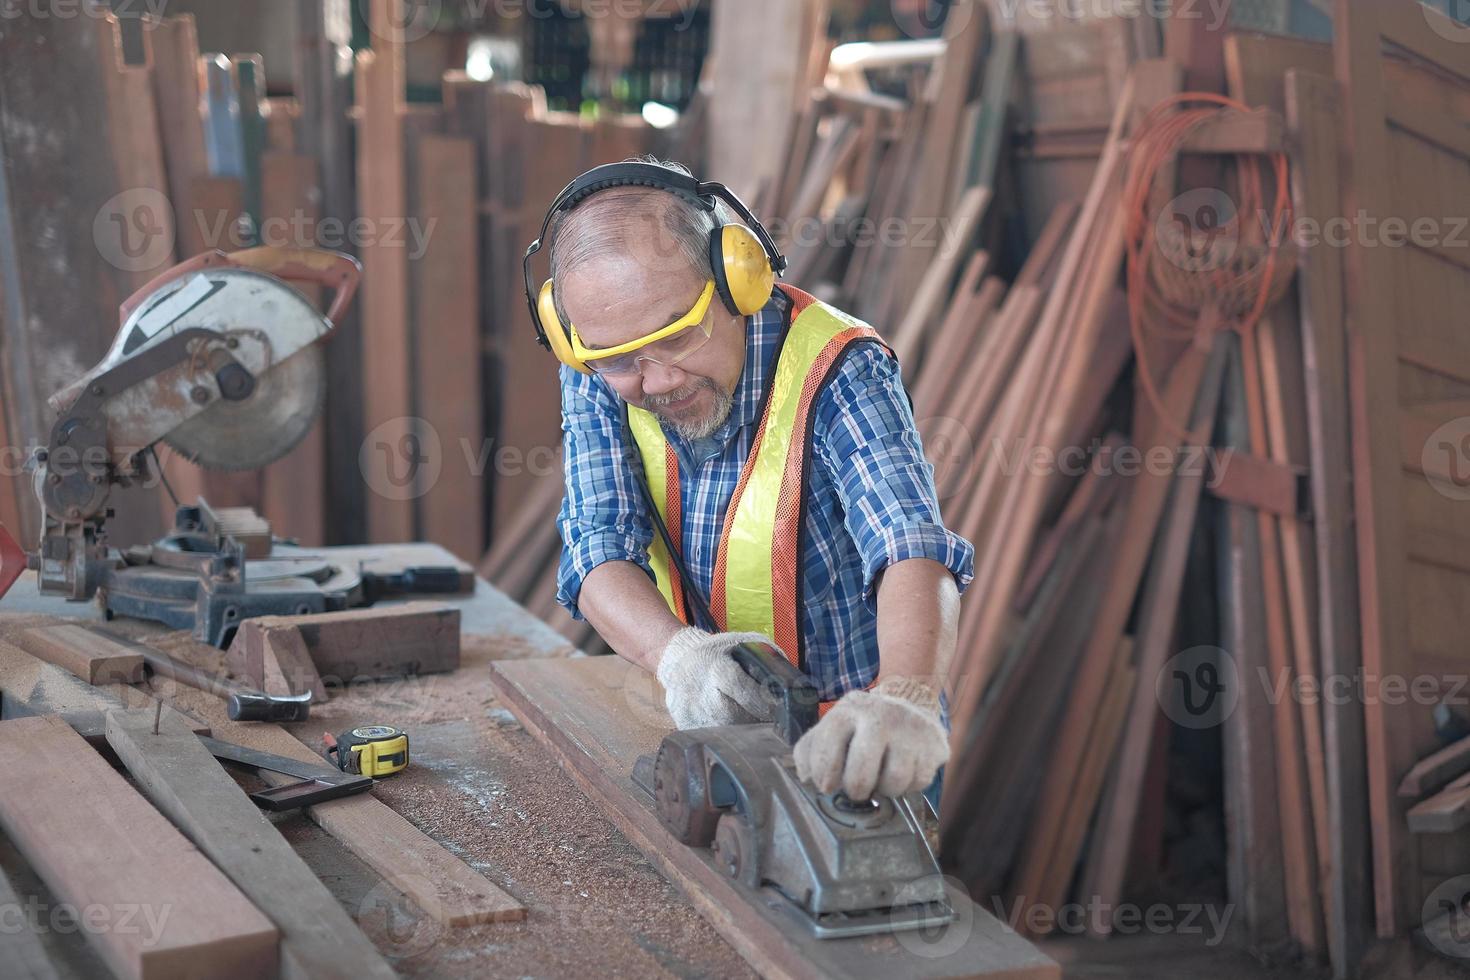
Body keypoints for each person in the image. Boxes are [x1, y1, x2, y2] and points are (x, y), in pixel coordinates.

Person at [523, 159, 973, 804]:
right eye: (617, 357)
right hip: (713, 721)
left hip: (858, 739)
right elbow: (597, 547)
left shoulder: (839, 366)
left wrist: (905, 697)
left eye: (676, 338)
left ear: (738, 281)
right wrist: (678, 658)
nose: (656, 380)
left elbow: (909, 545)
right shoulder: (599, 362)